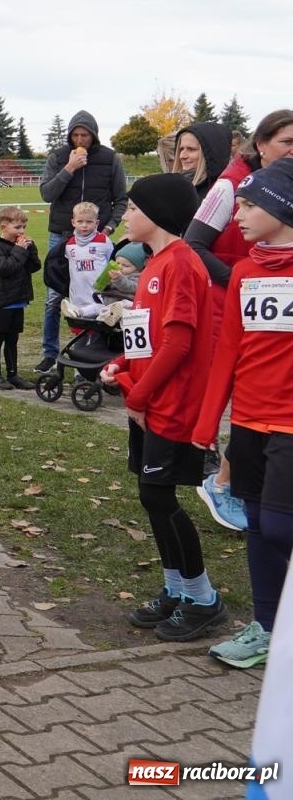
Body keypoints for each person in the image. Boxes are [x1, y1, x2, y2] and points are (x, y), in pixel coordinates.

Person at [97, 174, 228, 642]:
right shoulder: (155, 264)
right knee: (152, 497)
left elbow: (178, 343)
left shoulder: (181, 264)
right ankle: (176, 589)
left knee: (160, 496)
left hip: (171, 406)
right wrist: (119, 365)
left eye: (133, 209)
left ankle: (204, 598)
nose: (126, 216)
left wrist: (139, 394)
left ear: (157, 214)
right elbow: (146, 337)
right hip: (148, 401)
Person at [191, 160, 293, 669]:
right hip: (248, 421)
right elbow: (228, 348)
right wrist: (208, 423)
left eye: (250, 206)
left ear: (283, 207)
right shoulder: (247, 272)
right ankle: (266, 627)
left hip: (290, 425)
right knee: (256, 523)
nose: (239, 216)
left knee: (278, 527)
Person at [188, 111, 293, 534]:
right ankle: (223, 483)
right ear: (261, 143)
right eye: (287, 142)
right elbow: (194, 241)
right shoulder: (230, 186)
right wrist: (245, 282)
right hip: (228, 299)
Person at [37, 110, 128, 372]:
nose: (80, 140)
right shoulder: (57, 157)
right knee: (55, 297)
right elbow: (46, 193)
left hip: (98, 238)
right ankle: (50, 352)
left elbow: (120, 198)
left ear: (94, 135)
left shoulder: (110, 159)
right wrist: (69, 168)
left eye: (85, 135)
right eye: (75, 135)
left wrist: (110, 227)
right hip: (63, 234)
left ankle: (92, 353)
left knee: (98, 297)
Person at [0, 207, 41, 390]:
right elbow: (5, 268)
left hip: (18, 300)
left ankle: (13, 374)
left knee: (13, 339)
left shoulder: (20, 247)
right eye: (17, 227)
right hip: (2, 301)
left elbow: (34, 266)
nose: (21, 231)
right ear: (4, 226)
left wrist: (30, 250)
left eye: (23, 227)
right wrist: (19, 251)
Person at [61, 202, 115, 318]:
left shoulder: (104, 241)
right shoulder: (68, 244)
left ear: (97, 222)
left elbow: (111, 262)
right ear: (73, 222)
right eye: (80, 221)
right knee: (79, 326)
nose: (84, 225)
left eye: (89, 222)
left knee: (98, 326)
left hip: (98, 293)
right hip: (77, 293)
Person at [172, 121, 233, 197]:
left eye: (191, 149)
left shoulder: (218, 194)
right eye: (181, 149)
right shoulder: (176, 187)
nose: (182, 156)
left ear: (210, 153)